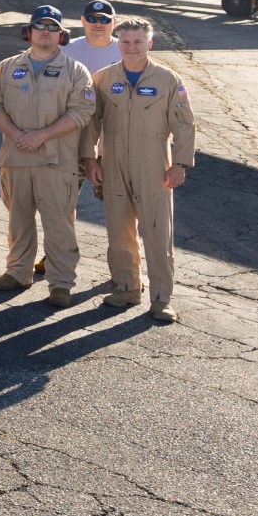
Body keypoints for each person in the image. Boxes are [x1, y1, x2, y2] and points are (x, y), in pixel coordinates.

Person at [82, 18, 195, 323]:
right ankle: (126, 286)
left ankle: (161, 298)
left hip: (154, 164)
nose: (131, 47)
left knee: (157, 233)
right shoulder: (103, 79)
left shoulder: (169, 80)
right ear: (117, 43)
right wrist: (90, 160)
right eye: (126, 42)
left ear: (150, 44)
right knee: (119, 230)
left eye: (138, 42)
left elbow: (184, 125)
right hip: (113, 162)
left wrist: (180, 163)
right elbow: (91, 123)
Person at [0, 6, 95, 307]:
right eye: (39, 27)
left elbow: (82, 111)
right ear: (29, 32)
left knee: (59, 225)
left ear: (61, 35)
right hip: (16, 156)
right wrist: (17, 134)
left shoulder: (75, 71)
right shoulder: (8, 67)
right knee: (18, 221)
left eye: (52, 28)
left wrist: (41, 135)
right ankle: (17, 272)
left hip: (56, 161)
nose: (45, 32)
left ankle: (60, 283)